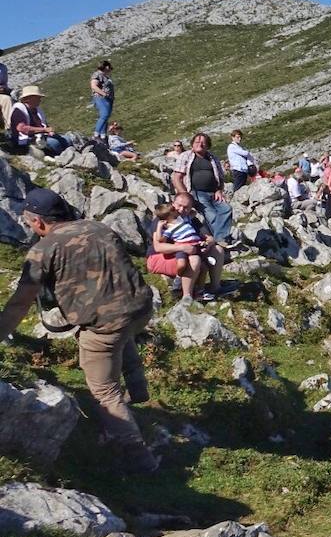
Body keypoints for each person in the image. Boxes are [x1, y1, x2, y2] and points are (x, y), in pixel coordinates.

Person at [0, 189, 158, 473]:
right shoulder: (99, 227)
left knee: (104, 390)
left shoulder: (43, 250)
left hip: (105, 326)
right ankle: (137, 389)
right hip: (141, 309)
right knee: (120, 333)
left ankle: (138, 457)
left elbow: (21, 302)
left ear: (38, 222)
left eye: (28, 222)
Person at [148, 194, 224, 301]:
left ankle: (215, 287)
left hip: (188, 251)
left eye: (186, 207)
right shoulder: (163, 219)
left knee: (218, 250)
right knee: (194, 259)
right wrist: (183, 248)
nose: (181, 209)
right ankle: (186, 296)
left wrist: (208, 244)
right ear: (173, 203)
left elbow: (209, 237)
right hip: (159, 257)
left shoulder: (191, 219)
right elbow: (158, 247)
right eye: (179, 205)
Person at [171, 132, 236, 246]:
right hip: (196, 193)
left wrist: (219, 190)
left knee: (226, 209)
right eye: (197, 142)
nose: (200, 144)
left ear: (207, 145)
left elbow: (220, 177)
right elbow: (177, 178)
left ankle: (219, 238)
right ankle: (221, 241)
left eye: (203, 143)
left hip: (214, 192)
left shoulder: (213, 158)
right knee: (212, 215)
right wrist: (185, 195)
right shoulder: (185, 156)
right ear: (192, 144)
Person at [9, 85, 69, 156]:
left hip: (41, 137)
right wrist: (44, 130)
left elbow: (44, 125)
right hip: (26, 140)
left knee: (66, 139)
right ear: (28, 98)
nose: (40, 99)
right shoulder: (19, 110)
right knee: (54, 143)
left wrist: (49, 131)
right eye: (37, 97)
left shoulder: (37, 109)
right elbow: (21, 128)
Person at [90, 60, 115, 142]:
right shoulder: (97, 74)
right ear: (106, 66)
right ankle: (96, 134)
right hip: (101, 98)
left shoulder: (106, 76)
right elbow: (93, 86)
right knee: (104, 115)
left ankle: (103, 135)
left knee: (106, 117)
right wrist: (104, 94)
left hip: (108, 99)